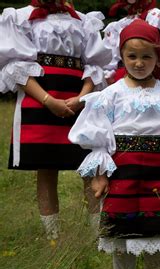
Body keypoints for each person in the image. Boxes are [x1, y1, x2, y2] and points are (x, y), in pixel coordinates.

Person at [68, 19, 160, 269]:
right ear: (122, 56)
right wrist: (100, 174)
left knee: (158, 230)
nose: (139, 63)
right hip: (123, 174)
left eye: (146, 56)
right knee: (121, 230)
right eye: (132, 56)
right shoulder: (109, 95)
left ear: (158, 57)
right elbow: (99, 137)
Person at [0, 0, 112, 240]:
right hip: (39, 101)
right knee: (46, 168)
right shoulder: (20, 18)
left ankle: (98, 237)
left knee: (90, 166)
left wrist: (83, 98)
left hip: (79, 101)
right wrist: (48, 100)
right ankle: (53, 239)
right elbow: (15, 65)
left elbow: (95, 64)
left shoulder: (83, 21)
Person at [103, 0, 160, 87]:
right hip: (123, 82)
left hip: (152, 79)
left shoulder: (157, 17)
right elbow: (109, 63)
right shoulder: (117, 26)